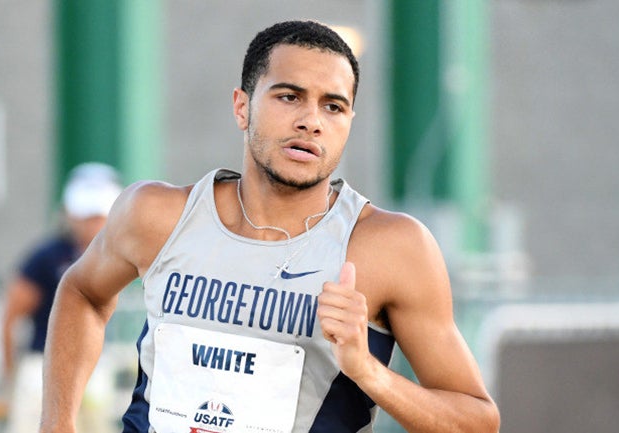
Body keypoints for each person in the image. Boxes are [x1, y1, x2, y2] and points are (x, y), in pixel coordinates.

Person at [40, 20, 500, 433]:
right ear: (242, 107)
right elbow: (81, 293)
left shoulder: (388, 247)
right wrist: (57, 424)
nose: (311, 121)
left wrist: (367, 370)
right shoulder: (156, 215)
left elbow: (477, 422)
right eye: (289, 96)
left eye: (333, 107)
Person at [1, 162, 123, 433]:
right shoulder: (47, 257)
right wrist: (9, 377)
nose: (94, 222)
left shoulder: (117, 255)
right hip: (43, 368)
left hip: (96, 367)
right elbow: (10, 315)